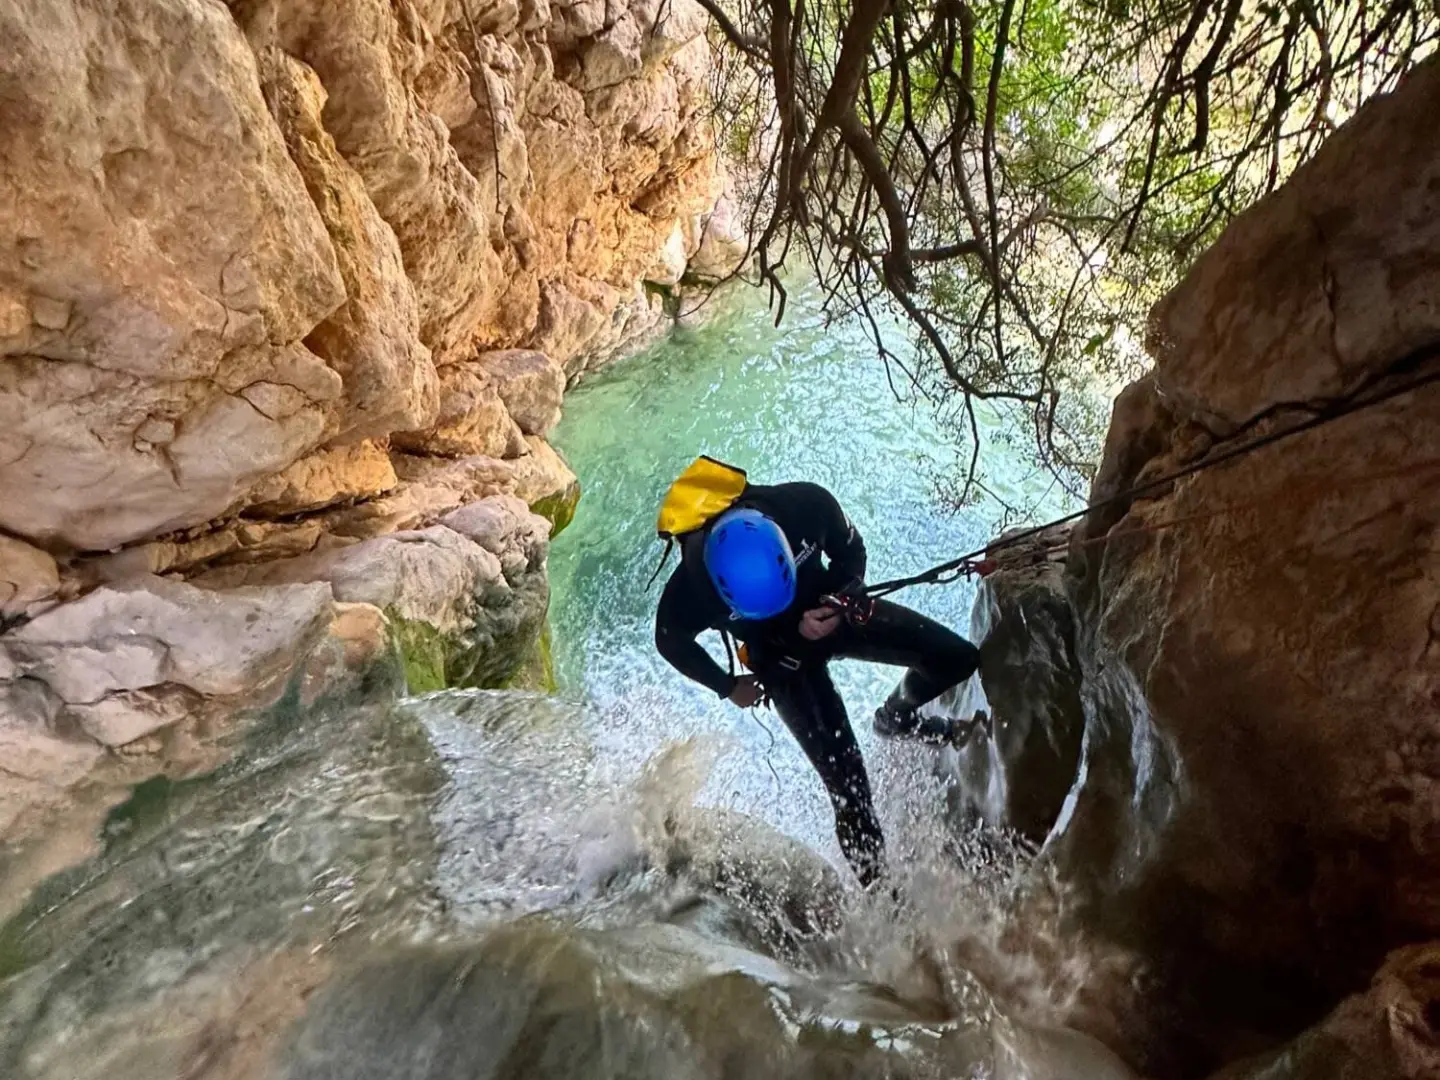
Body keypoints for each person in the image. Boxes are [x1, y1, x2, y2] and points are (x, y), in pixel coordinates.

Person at [652, 477, 981, 888]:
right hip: (782, 662)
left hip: (832, 613)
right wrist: (727, 685)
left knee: (957, 658)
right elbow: (670, 641)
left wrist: (845, 596)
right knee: (850, 793)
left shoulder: (805, 506)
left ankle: (894, 717)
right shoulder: (693, 590)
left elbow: (851, 552)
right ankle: (885, 902)